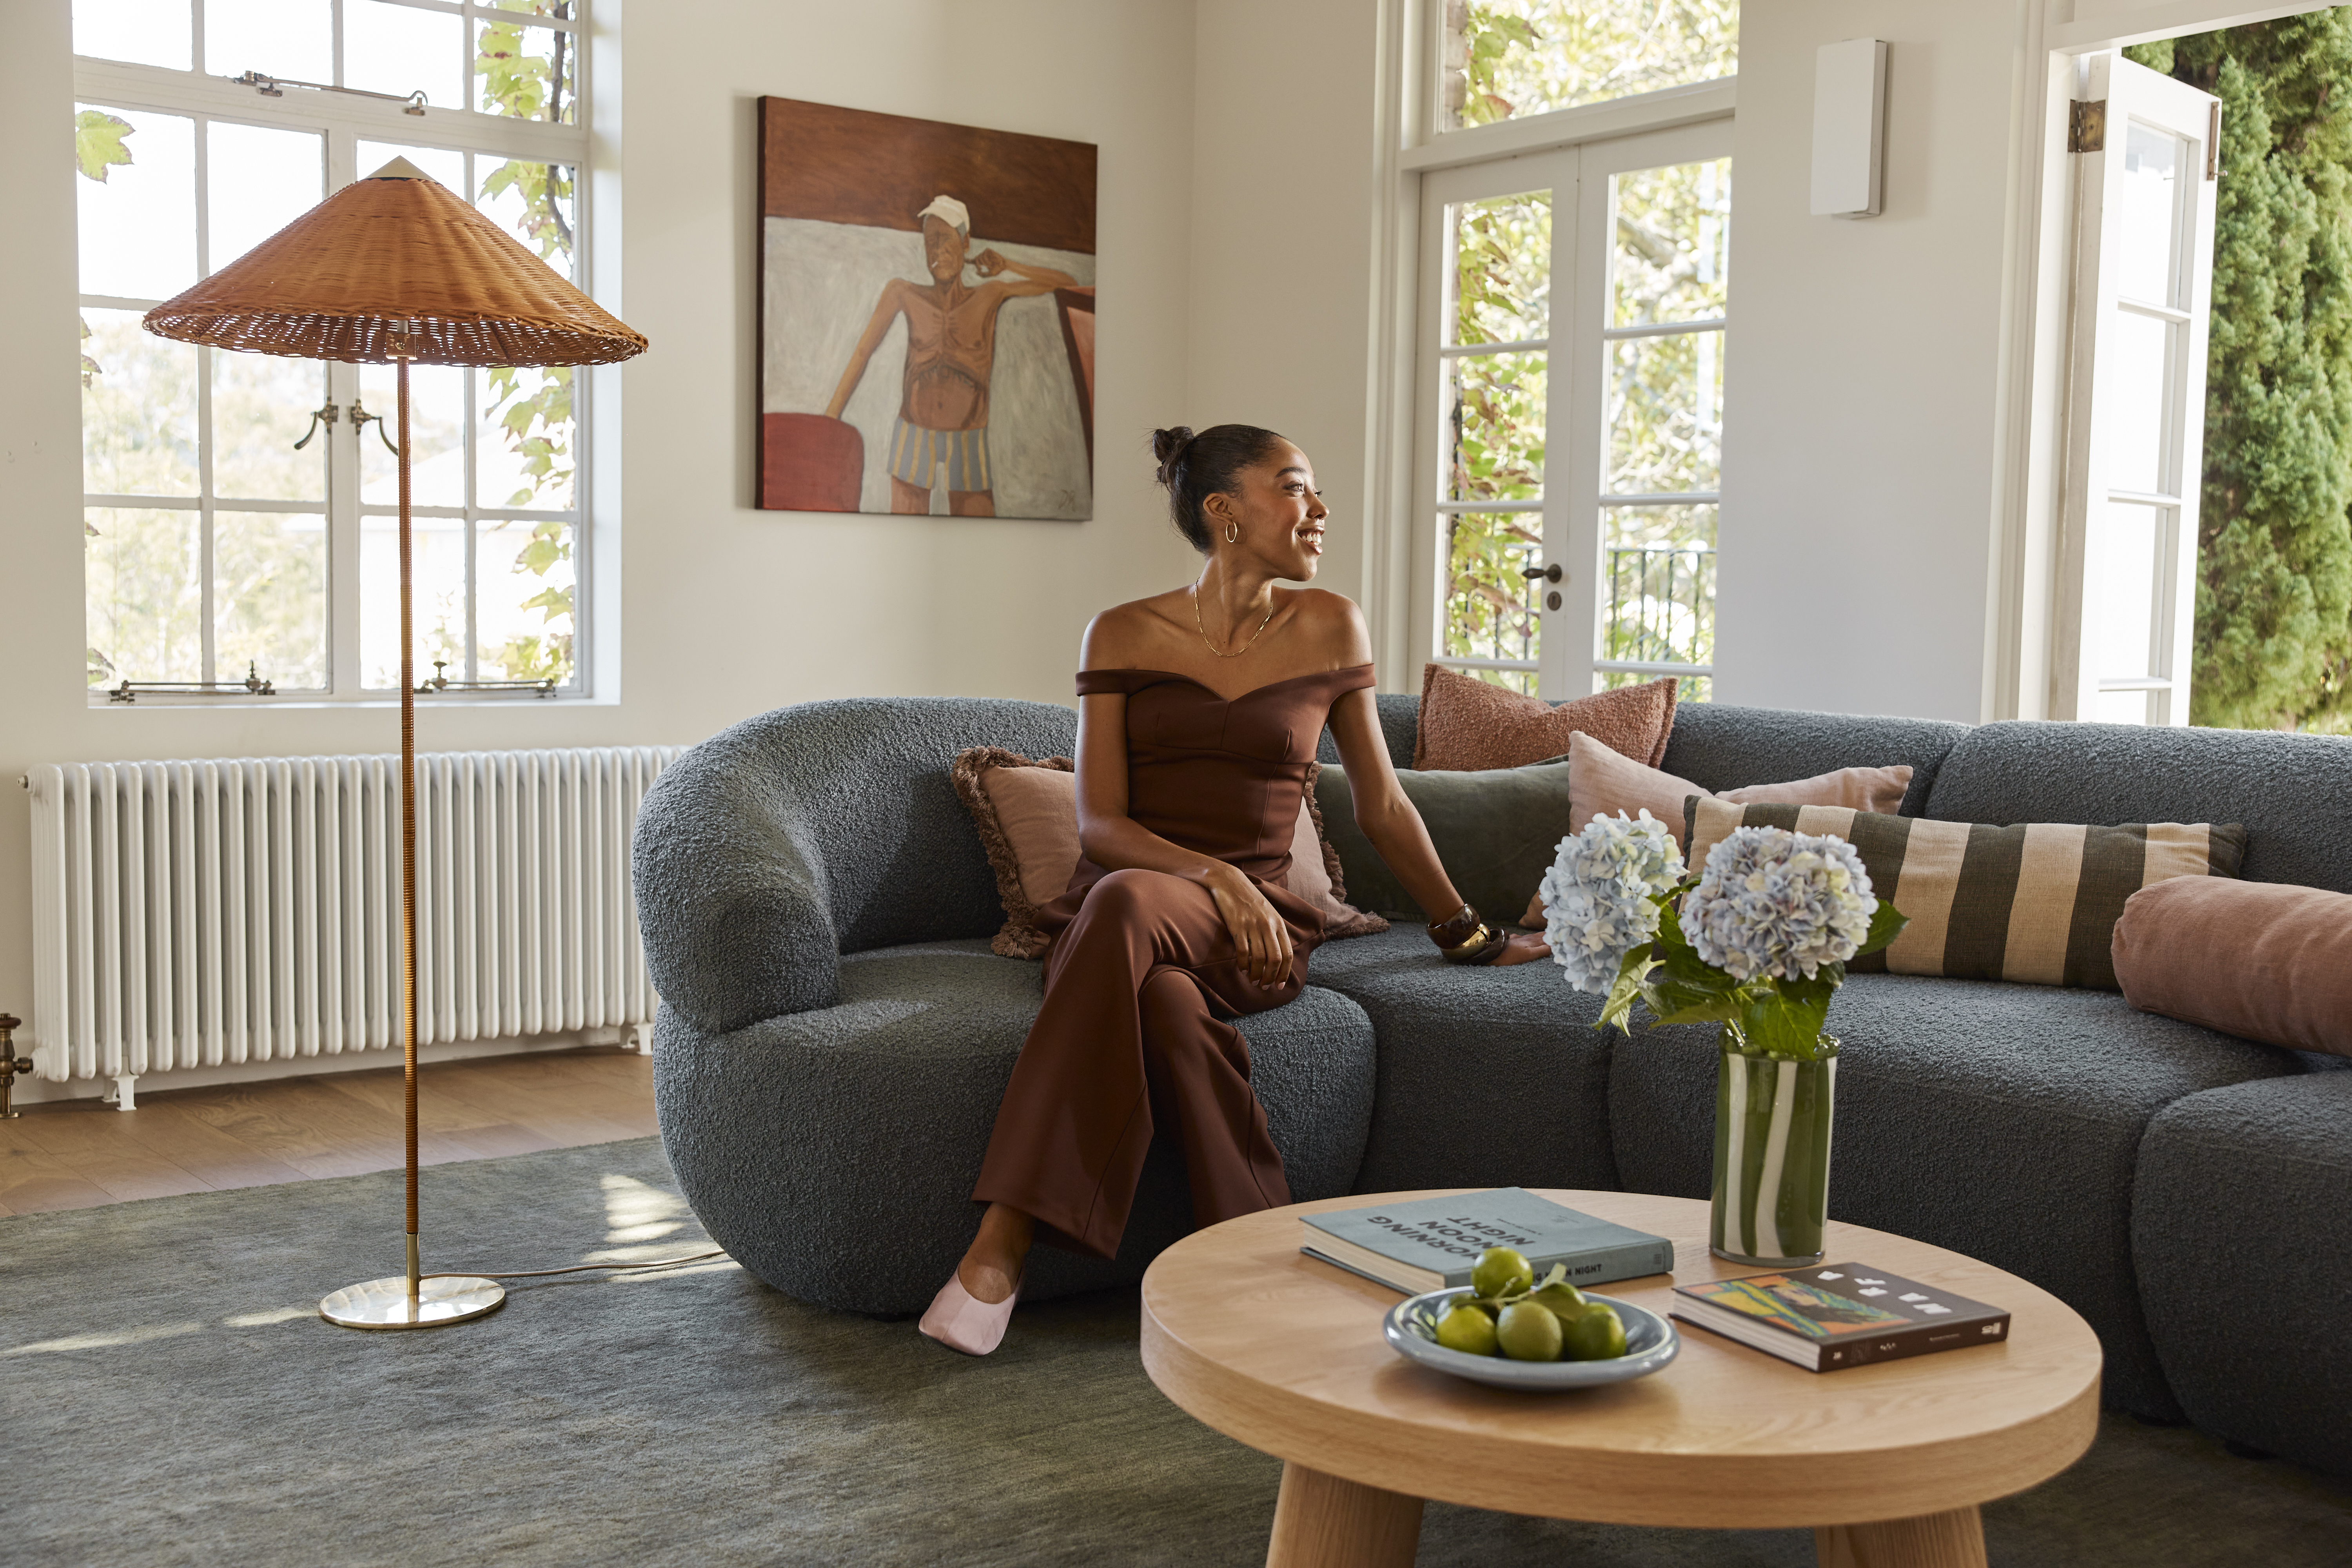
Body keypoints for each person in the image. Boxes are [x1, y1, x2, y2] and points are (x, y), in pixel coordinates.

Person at [919, 423, 1550, 1355]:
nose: (1320, 508)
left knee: (1129, 908)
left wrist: (1465, 928)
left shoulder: (1331, 624)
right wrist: (1215, 876)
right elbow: (1102, 826)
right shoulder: (1123, 632)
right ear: (1224, 511)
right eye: (1294, 488)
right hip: (1135, 911)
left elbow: (1380, 805)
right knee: (1162, 991)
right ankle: (1258, 1261)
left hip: (1258, 937)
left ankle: (1004, 1236)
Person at [823, 194, 1076, 517]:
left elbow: (1066, 283)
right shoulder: (903, 292)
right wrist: (829, 422)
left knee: (978, 534)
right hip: (912, 433)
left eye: (946, 240)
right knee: (904, 534)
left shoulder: (990, 295)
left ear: (966, 243)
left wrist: (1008, 264)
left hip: (969, 438)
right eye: (931, 242)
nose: (938, 251)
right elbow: (862, 353)